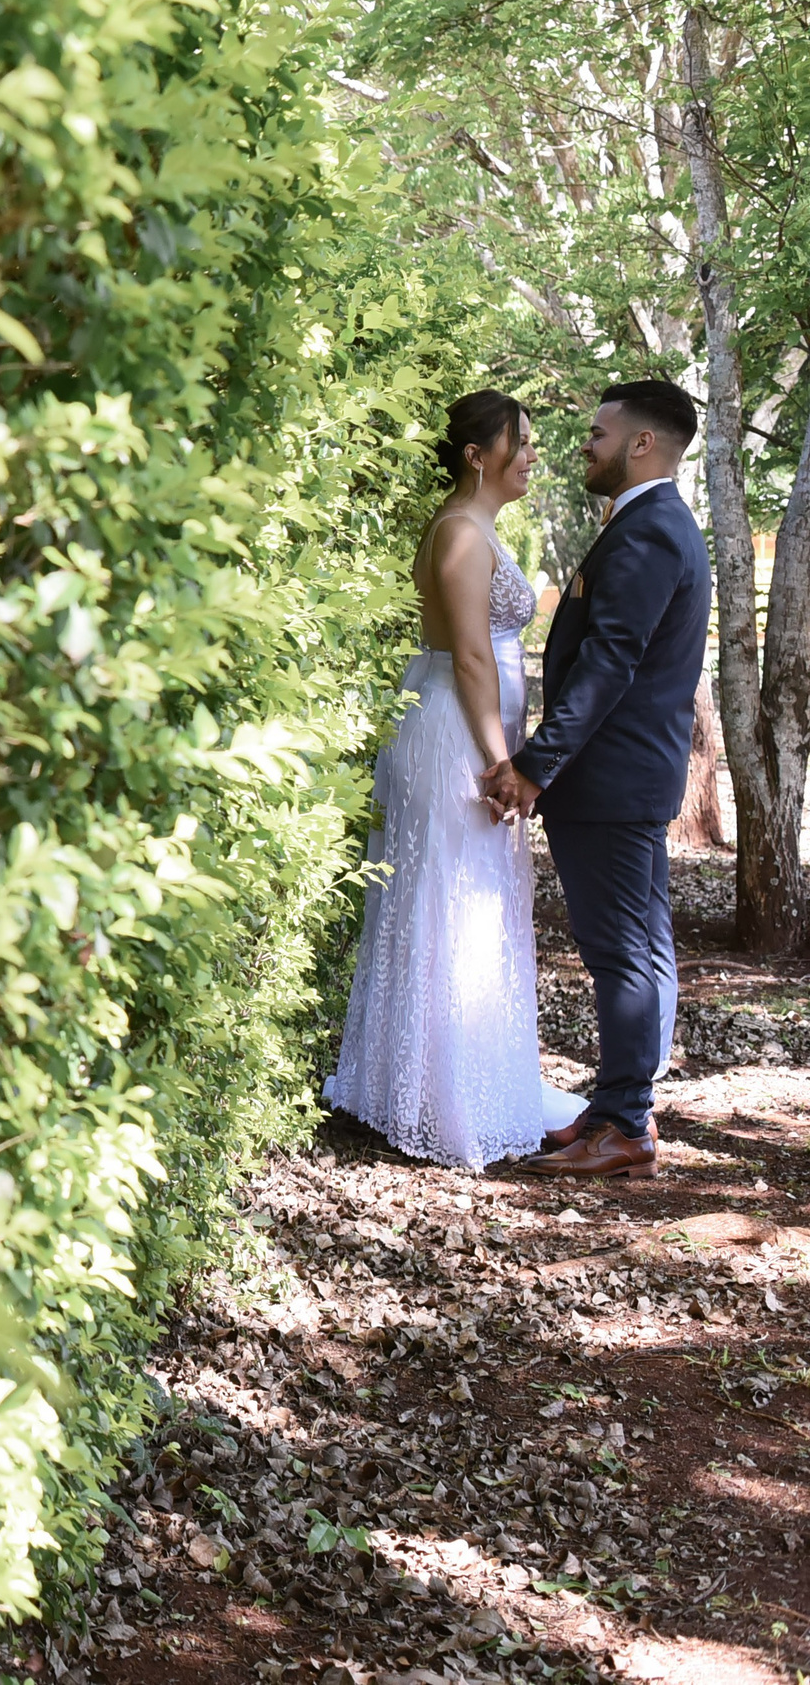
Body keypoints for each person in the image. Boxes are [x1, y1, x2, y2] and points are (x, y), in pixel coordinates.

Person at [327, 391, 587, 1168]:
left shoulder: (473, 526)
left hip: (464, 723)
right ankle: (439, 1098)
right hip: (457, 733)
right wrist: (502, 761)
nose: (532, 455)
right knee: (449, 898)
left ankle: (449, 1079)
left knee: (463, 896)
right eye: (520, 443)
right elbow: (473, 656)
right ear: (477, 456)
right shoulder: (463, 533)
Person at [481, 380, 712, 1180]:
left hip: (611, 779)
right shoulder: (655, 523)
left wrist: (535, 764)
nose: (585, 442)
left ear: (642, 444)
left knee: (622, 953)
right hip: (630, 776)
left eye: (599, 432)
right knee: (640, 946)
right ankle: (620, 1107)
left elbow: (609, 663)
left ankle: (624, 1122)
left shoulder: (648, 532)